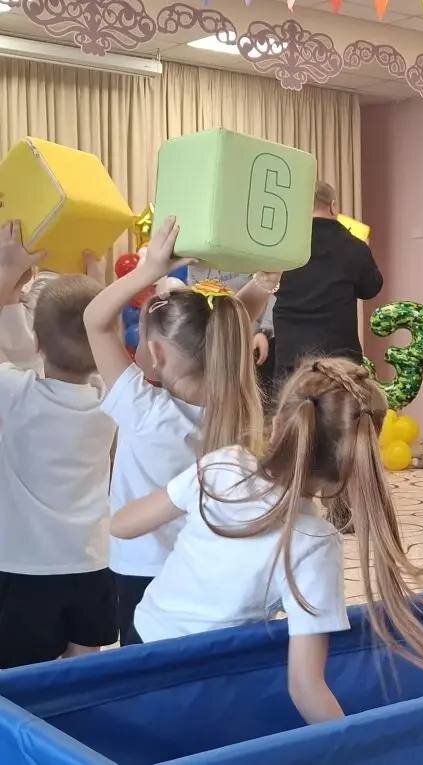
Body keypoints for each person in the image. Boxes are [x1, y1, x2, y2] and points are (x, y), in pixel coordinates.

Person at [110, 358, 423, 724]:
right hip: (203, 682)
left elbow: (122, 525)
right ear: (354, 463)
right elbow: (306, 687)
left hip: (138, 649)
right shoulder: (314, 543)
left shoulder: (222, 464)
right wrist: (359, 745)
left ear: (279, 423)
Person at [84, 216, 277, 644]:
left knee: (144, 662)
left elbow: (94, 320)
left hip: (141, 569)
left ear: (155, 352)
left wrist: (149, 270)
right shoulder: (237, 411)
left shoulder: (144, 410)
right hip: (208, 563)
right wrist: (264, 282)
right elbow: (227, 325)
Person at [0, 222, 117, 668]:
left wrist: (8, 271)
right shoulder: (111, 398)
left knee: (20, 682)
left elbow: (20, 353)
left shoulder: (15, 394)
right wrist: (99, 284)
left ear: (37, 342)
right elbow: (94, 338)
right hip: (90, 562)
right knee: (84, 671)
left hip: (22, 567)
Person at [273, 182, 383, 381]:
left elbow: (269, 285)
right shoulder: (353, 246)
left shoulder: (282, 244)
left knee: (291, 401)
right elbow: (371, 288)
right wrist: (365, 252)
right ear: (333, 206)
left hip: (291, 355)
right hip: (339, 360)